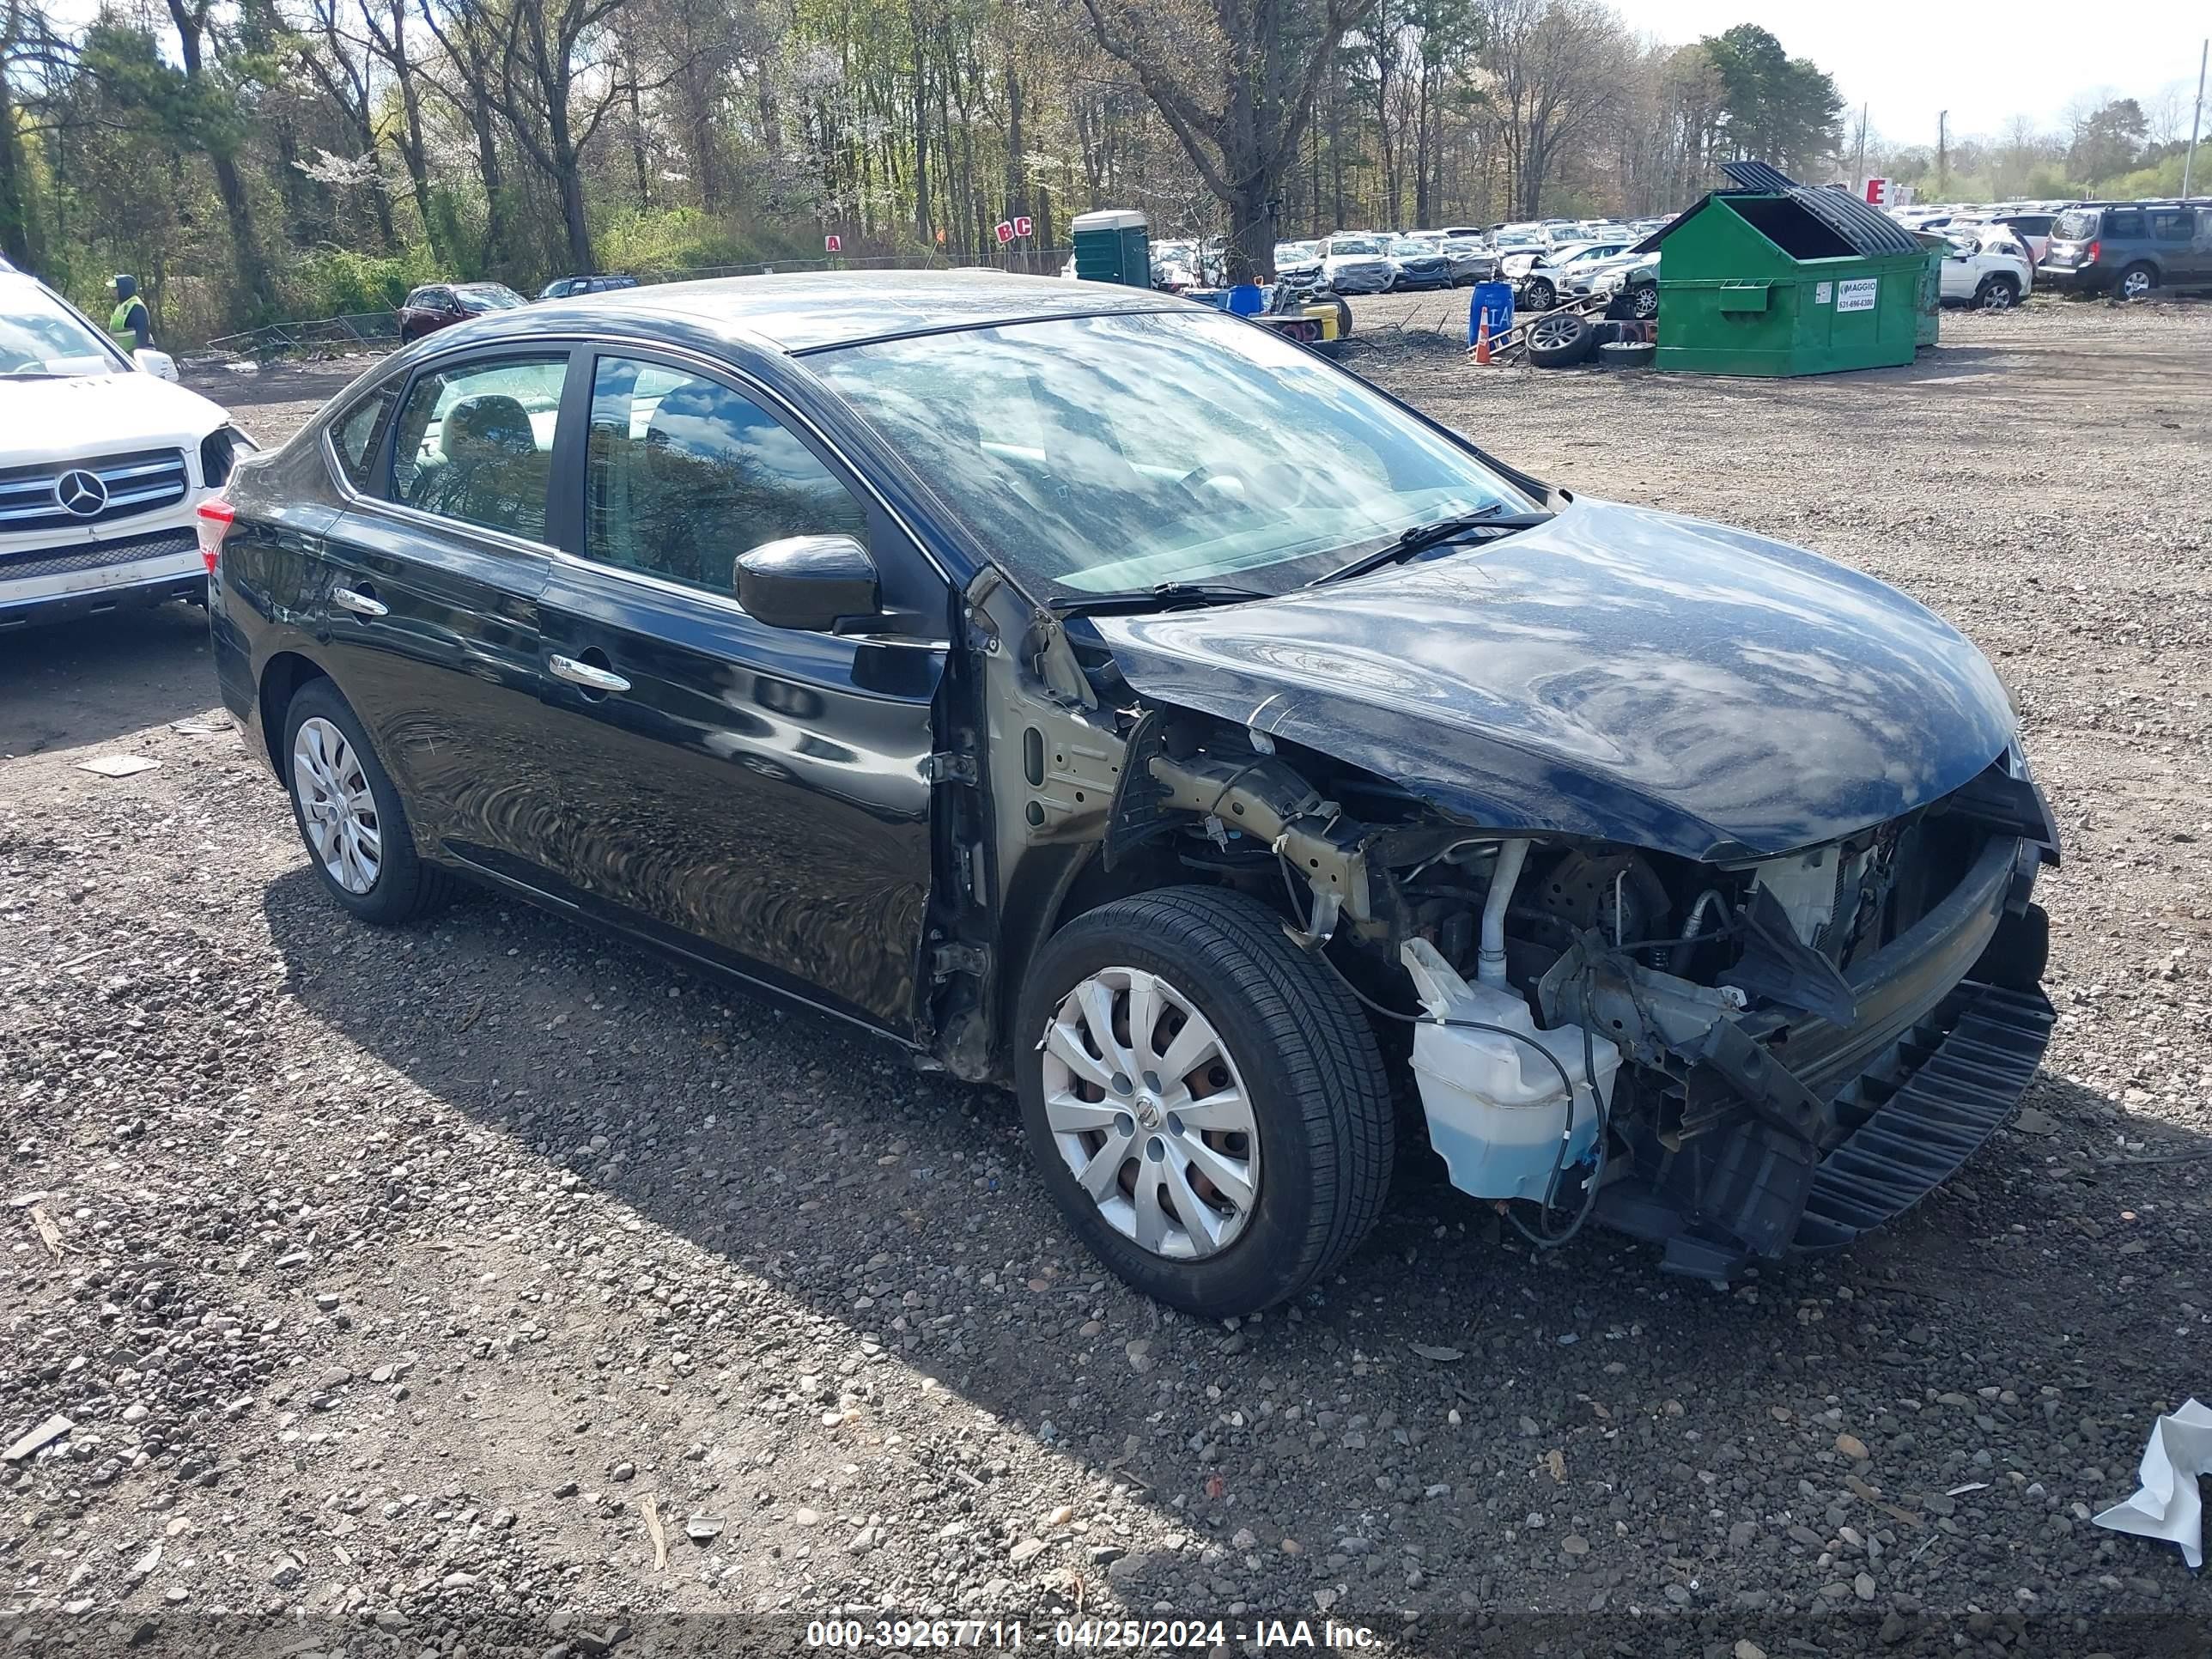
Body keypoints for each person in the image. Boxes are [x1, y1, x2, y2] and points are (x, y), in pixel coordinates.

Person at [108, 274, 152, 355]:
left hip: (134, 355)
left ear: (123, 289)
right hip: (123, 354)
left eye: (115, 289)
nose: (112, 291)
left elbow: (142, 335)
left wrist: (139, 356)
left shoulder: (136, 307)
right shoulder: (122, 305)